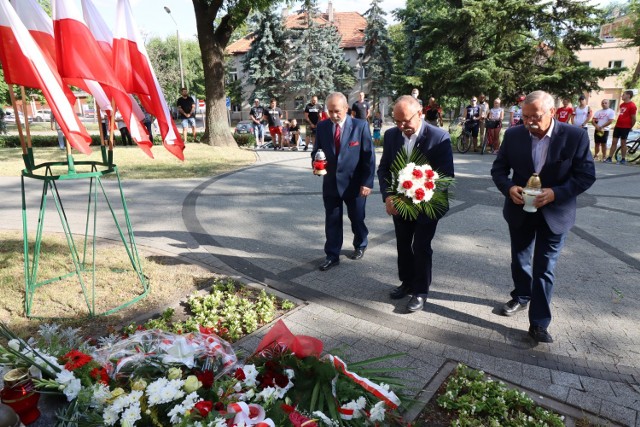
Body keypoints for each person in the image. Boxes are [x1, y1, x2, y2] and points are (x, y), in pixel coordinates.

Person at [490, 90, 596, 343]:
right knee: (520, 259)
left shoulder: (575, 136)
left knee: (544, 268)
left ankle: (539, 323)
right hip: (519, 210)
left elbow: (585, 176)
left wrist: (556, 193)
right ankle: (521, 296)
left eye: (535, 116)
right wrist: (508, 187)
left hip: (555, 213)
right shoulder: (514, 134)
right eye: (525, 117)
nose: (529, 122)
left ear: (552, 112)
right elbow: (499, 169)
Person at [377, 95, 454, 313]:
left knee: (420, 247)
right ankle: (407, 282)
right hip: (399, 202)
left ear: (419, 113)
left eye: (406, 121)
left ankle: (420, 292)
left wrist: (420, 194)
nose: (401, 126)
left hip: (428, 204)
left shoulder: (439, 137)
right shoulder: (392, 136)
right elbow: (384, 169)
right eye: (397, 121)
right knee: (403, 244)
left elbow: (445, 176)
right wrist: (388, 196)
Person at [311, 92, 375, 271]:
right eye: (330, 111)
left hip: (355, 184)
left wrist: (367, 182)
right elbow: (316, 151)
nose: (333, 115)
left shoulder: (360, 126)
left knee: (357, 218)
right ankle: (332, 255)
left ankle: (360, 243)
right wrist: (316, 165)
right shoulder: (323, 126)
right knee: (332, 220)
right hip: (331, 183)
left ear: (346, 109)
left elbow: (368, 157)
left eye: (337, 111)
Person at [606, 90, 637, 164]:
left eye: (624, 94)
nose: (622, 96)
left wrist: (630, 127)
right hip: (618, 126)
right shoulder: (622, 105)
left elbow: (634, 119)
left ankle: (623, 159)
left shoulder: (632, 106)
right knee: (614, 142)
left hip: (625, 127)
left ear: (628, 96)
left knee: (623, 143)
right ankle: (609, 157)